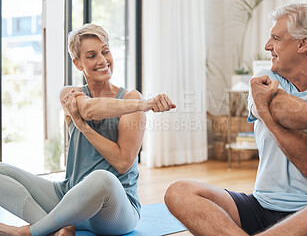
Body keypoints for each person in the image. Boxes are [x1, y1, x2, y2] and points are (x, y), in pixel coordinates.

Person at [164, 3, 307, 236]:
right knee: (179, 192)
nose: (267, 46)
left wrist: (265, 115)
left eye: (276, 38)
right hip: (262, 206)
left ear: (303, 43)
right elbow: (279, 107)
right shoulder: (265, 77)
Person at [0, 23, 176, 236]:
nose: (102, 60)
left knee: (102, 178)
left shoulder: (130, 99)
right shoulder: (70, 93)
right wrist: (146, 104)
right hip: (69, 199)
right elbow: (89, 109)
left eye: (105, 51)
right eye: (92, 56)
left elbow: (122, 163)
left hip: (113, 210)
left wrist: (83, 128)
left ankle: (31, 232)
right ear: (77, 63)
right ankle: (59, 229)